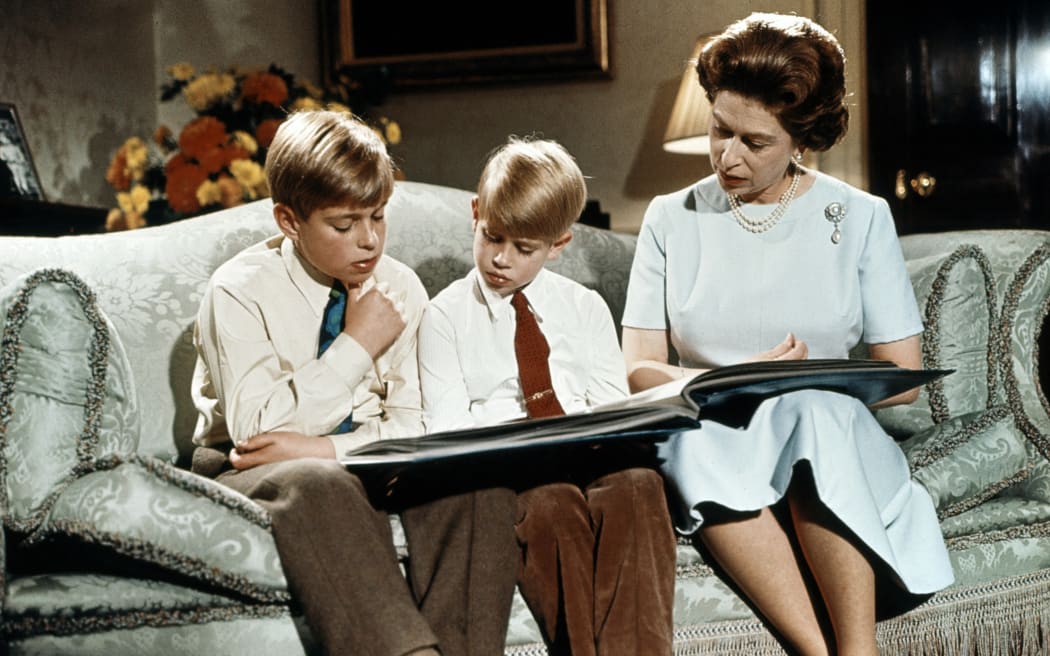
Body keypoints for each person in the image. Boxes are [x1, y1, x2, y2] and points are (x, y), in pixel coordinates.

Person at [621, 13, 954, 656]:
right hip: (716, 432)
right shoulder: (670, 218)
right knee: (684, 444)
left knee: (814, 410)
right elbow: (637, 368)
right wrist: (727, 381)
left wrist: (806, 384)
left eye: (755, 141)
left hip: (831, 436)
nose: (728, 156)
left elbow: (902, 376)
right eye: (720, 131)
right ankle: (816, 651)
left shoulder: (859, 216)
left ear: (801, 139)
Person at [190, 109, 519, 656]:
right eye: (344, 225)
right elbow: (258, 434)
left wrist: (326, 447)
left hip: (364, 454)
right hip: (246, 465)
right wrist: (358, 344)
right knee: (317, 483)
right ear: (289, 221)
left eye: (379, 217)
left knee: (476, 482)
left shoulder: (400, 286)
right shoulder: (238, 291)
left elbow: (418, 426)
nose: (369, 241)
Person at [418, 136, 677, 656]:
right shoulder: (444, 316)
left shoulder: (583, 308)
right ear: (475, 213)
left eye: (524, 249)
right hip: (512, 471)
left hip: (586, 455)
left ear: (558, 245)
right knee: (552, 505)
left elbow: (610, 412)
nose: (501, 260)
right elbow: (448, 429)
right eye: (492, 237)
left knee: (639, 484)